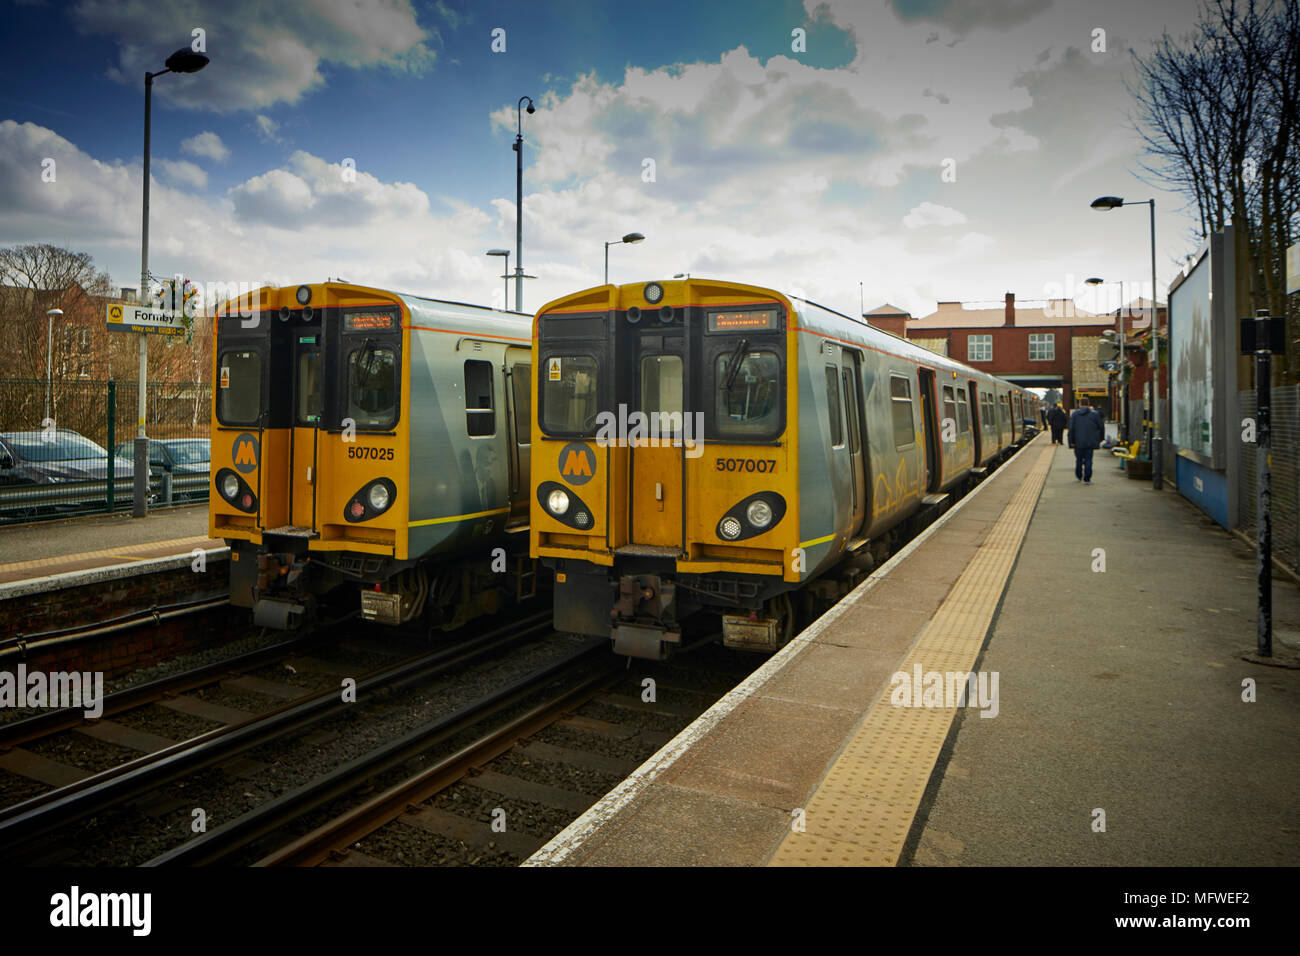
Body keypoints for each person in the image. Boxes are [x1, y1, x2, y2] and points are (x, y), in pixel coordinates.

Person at [1068, 396, 1104, 484]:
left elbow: (1071, 429)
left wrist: (1071, 442)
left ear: (1080, 404)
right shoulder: (1095, 414)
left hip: (1078, 442)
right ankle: (1087, 479)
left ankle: (1079, 475)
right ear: (1088, 404)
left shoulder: (1075, 414)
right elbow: (1101, 427)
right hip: (1090, 441)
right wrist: (1100, 439)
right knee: (1088, 460)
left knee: (1079, 459)